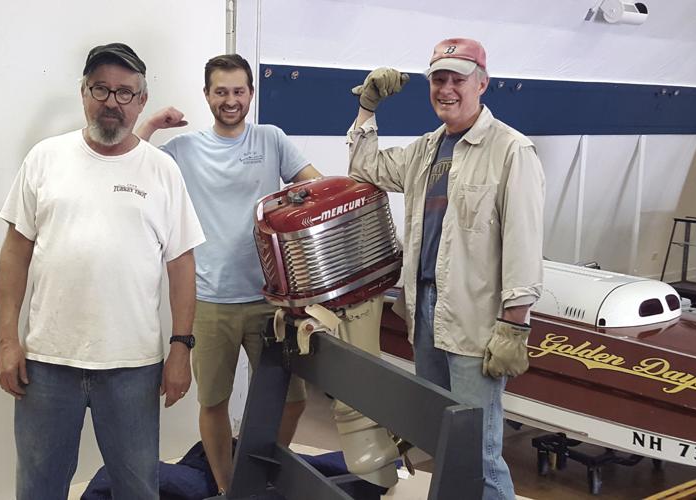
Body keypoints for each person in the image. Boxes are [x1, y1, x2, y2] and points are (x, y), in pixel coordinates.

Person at [0, 43, 205, 499]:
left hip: (133, 366)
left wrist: (181, 347)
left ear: (142, 100)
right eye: (101, 89)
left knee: (137, 487)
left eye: (125, 92)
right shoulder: (45, 159)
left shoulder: (162, 171)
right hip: (47, 364)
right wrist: (9, 340)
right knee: (38, 487)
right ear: (83, 93)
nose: (112, 101)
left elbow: (182, 263)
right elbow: (15, 252)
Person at [346, 38, 545, 500]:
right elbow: (364, 166)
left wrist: (515, 323)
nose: (448, 89)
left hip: (478, 318)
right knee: (442, 435)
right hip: (425, 307)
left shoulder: (512, 151)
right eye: (439, 79)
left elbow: (524, 240)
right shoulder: (426, 150)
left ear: (482, 83)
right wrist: (367, 108)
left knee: (478, 448)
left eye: (458, 79)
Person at [136, 53, 321, 494]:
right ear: (207, 95)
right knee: (213, 402)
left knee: (292, 401)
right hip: (209, 302)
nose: (231, 100)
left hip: (269, 301)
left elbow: (316, 188)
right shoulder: (184, 149)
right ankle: (228, 488)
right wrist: (151, 125)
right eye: (221, 92)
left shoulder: (271, 139)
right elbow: (133, 165)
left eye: (239, 91)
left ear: (251, 94)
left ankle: (261, 475)